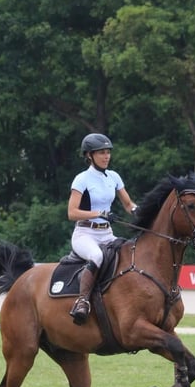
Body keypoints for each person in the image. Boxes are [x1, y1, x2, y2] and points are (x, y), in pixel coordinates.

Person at [67, 133, 138, 325]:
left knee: (128, 251)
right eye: (101, 153)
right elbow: (72, 212)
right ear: (89, 155)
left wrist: (139, 212)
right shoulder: (82, 179)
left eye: (108, 152)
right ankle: (82, 301)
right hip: (85, 233)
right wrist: (99, 213)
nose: (106, 156)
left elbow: (128, 203)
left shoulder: (114, 177)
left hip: (106, 233)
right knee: (97, 257)